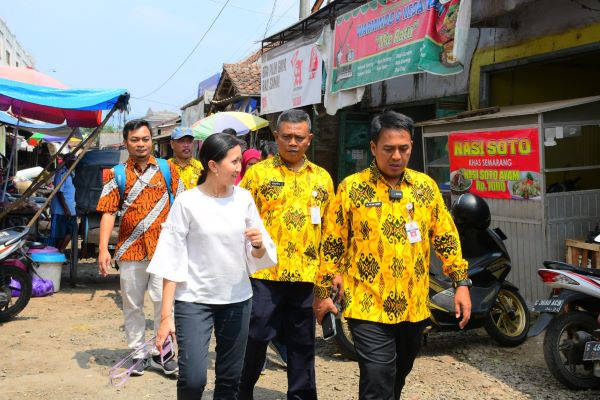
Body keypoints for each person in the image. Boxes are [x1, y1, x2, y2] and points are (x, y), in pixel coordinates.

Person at [313, 111, 472, 400]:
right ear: (374, 148)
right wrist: (323, 293)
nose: (397, 156)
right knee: (377, 377)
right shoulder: (352, 189)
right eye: (389, 149)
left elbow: (446, 237)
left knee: (398, 374)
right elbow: (333, 243)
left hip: (413, 306)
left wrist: (461, 283)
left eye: (404, 148)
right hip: (367, 304)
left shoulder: (426, 188)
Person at [149, 133, 277, 399]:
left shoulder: (244, 199)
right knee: (193, 379)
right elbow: (171, 260)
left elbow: (259, 252)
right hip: (194, 302)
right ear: (213, 165)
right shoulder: (187, 203)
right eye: (234, 162)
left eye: (240, 161)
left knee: (230, 380)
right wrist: (165, 318)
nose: (239, 167)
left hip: (238, 300)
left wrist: (258, 245)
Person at [239, 109, 334, 400]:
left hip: (306, 275)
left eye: (299, 137)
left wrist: (325, 282)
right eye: (287, 136)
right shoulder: (258, 174)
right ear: (276, 136)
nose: (293, 142)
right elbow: (238, 219)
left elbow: (330, 234)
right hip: (265, 274)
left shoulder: (322, 179)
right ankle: (241, 391)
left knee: (302, 343)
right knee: (255, 337)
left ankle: (302, 396)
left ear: (310, 139)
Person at [97, 119, 183, 377]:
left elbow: (183, 208)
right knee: (132, 304)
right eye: (135, 140)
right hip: (130, 251)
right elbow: (108, 212)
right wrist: (103, 249)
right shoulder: (116, 174)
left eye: (145, 139)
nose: (141, 144)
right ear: (126, 143)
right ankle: (138, 352)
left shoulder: (169, 170)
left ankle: (164, 354)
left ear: (152, 141)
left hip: (164, 251)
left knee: (164, 305)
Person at [50, 153, 77, 252]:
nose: (74, 163)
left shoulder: (70, 173)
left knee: (71, 231)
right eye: (73, 161)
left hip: (70, 208)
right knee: (60, 234)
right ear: (68, 161)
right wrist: (66, 209)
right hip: (61, 210)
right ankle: (58, 252)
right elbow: (59, 192)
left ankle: (60, 251)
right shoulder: (61, 173)